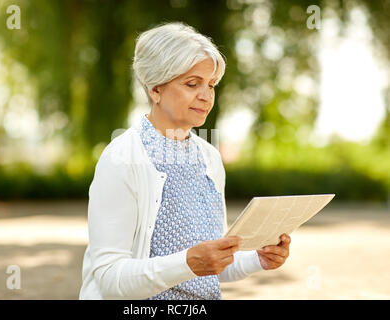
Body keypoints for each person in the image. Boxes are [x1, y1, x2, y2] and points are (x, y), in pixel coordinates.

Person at [79, 22, 290, 300]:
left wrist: (259, 258)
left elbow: (211, 265)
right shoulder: (123, 159)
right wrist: (188, 263)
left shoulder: (209, 158)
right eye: (192, 84)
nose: (206, 96)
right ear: (155, 89)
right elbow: (109, 278)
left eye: (211, 84)